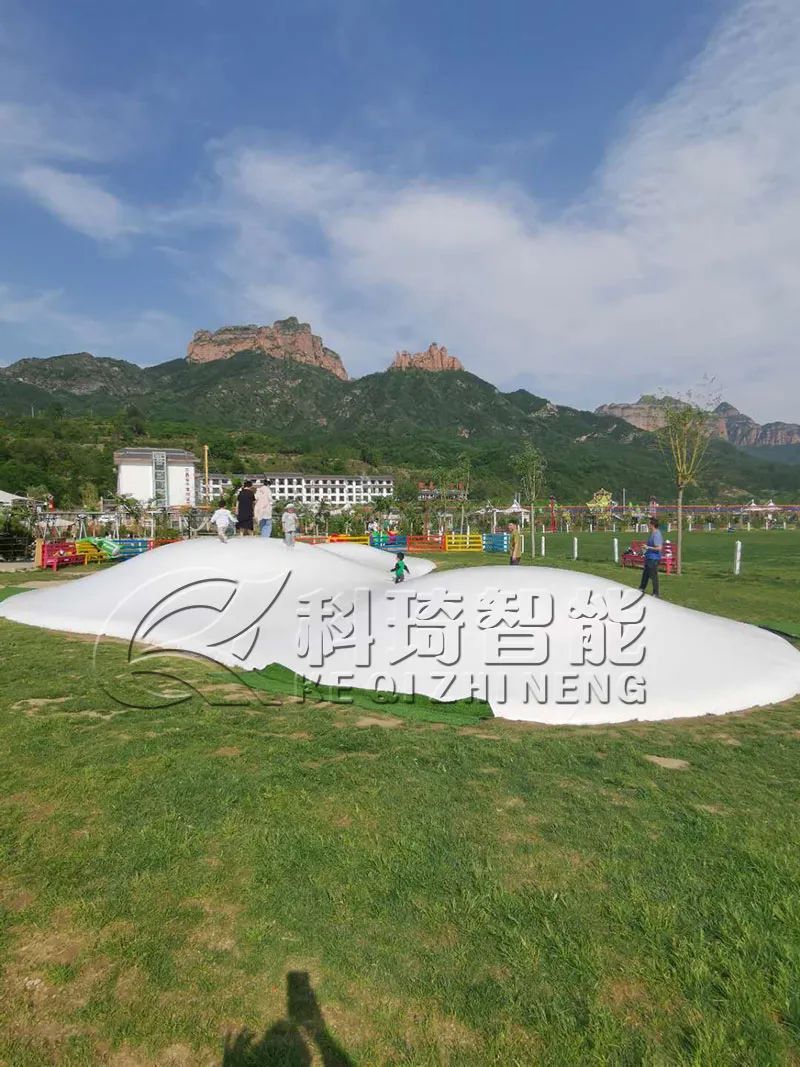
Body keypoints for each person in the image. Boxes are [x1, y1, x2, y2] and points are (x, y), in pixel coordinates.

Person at [640, 515, 663, 596]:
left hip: (654, 558)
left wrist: (648, 547)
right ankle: (641, 588)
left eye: (648, 523)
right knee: (645, 574)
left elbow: (659, 548)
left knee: (653, 575)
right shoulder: (652, 533)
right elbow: (650, 546)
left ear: (652, 524)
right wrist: (643, 550)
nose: (647, 524)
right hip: (649, 557)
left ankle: (656, 593)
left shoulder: (657, 534)